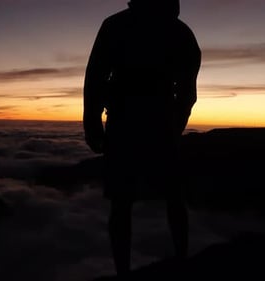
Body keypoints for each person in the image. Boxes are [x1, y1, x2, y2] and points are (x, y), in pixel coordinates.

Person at [83, 0, 201, 276]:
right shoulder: (180, 32)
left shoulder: (116, 26)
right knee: (171, 196)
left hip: (126, 121)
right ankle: (181, 260)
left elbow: (96, 76)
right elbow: (187, 90)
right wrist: (176, 123)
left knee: (123, 202)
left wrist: (92, 120)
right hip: (158, 120)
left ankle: (124, 271)